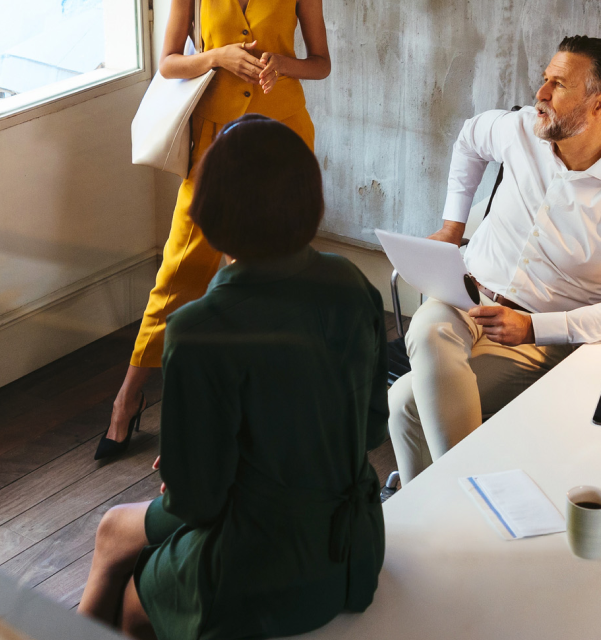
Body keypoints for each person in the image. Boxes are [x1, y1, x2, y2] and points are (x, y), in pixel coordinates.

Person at [78, 115, 388, 640]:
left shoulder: (200, 328)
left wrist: (186, 465)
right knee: (118, 536)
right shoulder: (351, 283)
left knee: (124, 571)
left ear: (213, 206)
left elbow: (197, 503)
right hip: (354, 544)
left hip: (260, 569)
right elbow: (371, 431)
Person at [97, 0, 332, 459]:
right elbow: (168, 62)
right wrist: (218, 57)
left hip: (282, 138)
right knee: (181, 267)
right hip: (215, 143)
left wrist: (284, 62)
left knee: (271, 270)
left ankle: (256, 410)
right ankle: (127, 399)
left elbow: (322, 63)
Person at [389, 36, 601, 485]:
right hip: (465, 297)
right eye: (543, 80)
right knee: (428, 326)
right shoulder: (520, 130)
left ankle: (426, 508)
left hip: (538, 341)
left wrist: (534, 328)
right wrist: (452, 226)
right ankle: (457, 499)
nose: (539, 95)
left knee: (405, 402)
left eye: (558, 85)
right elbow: (469, 137)